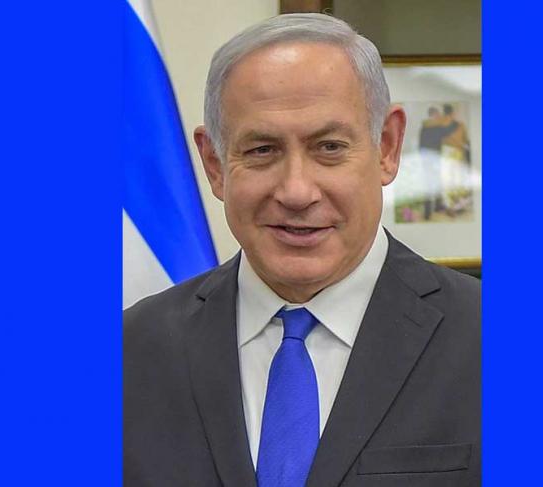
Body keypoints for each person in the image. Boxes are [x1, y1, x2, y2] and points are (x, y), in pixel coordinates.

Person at [124, 13, 480, 487]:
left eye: (329, 147)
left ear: (387, 147)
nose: (296, 191)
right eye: (262, 150)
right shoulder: (127, 353)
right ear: (214, 164)